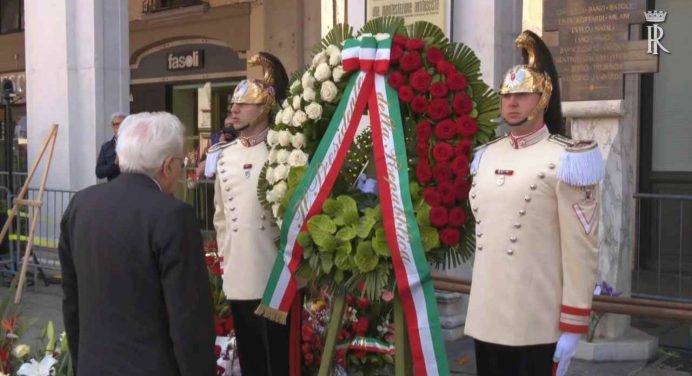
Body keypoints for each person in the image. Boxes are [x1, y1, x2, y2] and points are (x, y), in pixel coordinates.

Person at [464, 30, 605, 376]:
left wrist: (573, 325)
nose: (512, 103)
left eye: (523, 95)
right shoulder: (484, 156)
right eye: (506, 95)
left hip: (536, 321)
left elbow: (580, 249)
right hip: (486, 317)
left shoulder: (568, 159)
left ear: (542, 97)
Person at [59, 112, 216, 376]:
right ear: (167, 166)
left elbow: (71, 300)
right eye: (179, 164)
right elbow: (189, 320)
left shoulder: (81, 205)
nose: (179, 173)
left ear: (120, 158)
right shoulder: (173, 216)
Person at [210, 52, 289, 376]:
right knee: (250, 355)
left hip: (273, 272)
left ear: (265, 107)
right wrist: (227, 257)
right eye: (233, 105)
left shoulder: (283, 150)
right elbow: (220, 217)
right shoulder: (224, 157)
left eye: (244, 104)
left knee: (278, 356)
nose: (234, 110)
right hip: (239, 272)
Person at [95, 112, 126, 181]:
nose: (119, 127)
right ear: (112, 126)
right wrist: (114, 164)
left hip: (132, 188)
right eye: (116, 124)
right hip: (114, 188)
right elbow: (99, 172)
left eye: (123, 124)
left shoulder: (135, 144)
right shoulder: (106, 147)